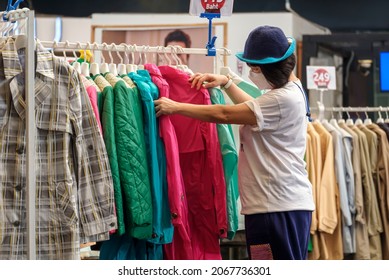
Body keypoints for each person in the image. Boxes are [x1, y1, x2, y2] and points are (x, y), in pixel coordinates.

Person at [154, 25, 315, 260]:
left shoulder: (282, 99)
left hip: (274, 208)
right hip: (283, 204)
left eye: (255, 68)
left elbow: (225, 114)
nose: (252, 73)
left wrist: (176, 107)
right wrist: (227, 83)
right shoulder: (293, 89)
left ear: (269, 69)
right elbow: (254, 108)